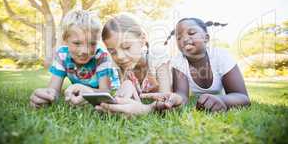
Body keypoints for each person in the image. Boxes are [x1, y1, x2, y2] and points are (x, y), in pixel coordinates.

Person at [96, 17, 250, 115]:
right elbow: (180, 96)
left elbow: (242, 97)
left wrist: (222, 100)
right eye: (179, 37)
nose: (185, 39)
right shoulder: (179, 62)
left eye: (191, 33)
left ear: (207, 37)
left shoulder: (220, 56)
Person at [30, 10, 120, 108]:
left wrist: (87, 92)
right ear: (65, 40)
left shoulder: (101, 57)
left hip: (114, 87)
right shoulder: (62, 55)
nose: (85, 51)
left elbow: (106, 91)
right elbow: (54, 90)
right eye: (77, 43)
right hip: (82, 88)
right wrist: (45, 97)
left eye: (92, 43)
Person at [100, 13, 171, 99]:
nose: (119, 56)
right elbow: (128, 97)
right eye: (112, 52)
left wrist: (143, 108)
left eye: (126, 47)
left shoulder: (157, 57)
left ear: (142, 40)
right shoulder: (120, 64)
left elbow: (166, 99)